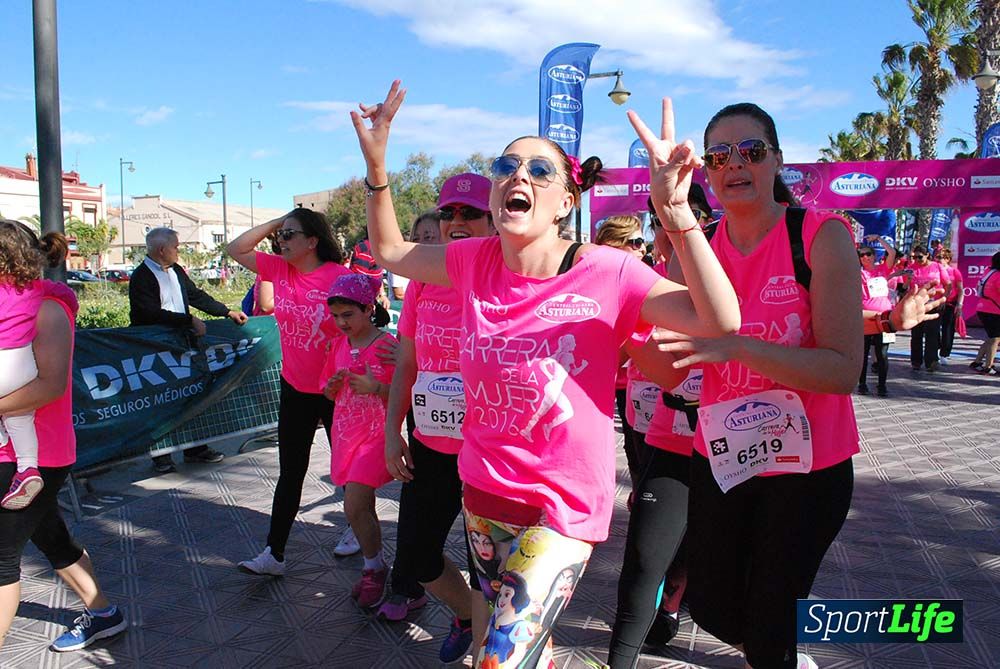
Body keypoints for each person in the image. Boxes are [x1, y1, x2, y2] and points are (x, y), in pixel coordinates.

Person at [352, 81, 739, 668]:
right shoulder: (472, 262)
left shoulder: (608, 271)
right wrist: (378, 165)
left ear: (564, 202)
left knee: (498, 658)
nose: (519, 176)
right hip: (483, 493)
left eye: (539, 169)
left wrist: (678, 212)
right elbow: (390, 249)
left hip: (560, 508)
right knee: (526, 643)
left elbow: (720, 319)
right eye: (507, 165)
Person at [652, 102, 864, 669]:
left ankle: (777, 645)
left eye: (750, 151)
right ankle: (776, 643)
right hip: (724, 460)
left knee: (770, 620)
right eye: (718, 156)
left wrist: (739, 346)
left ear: (776, 160)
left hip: (809, 469)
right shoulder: (701, 249)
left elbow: (844, 369)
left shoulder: (820, 237)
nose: (734, 165)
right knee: (712, 607)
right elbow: (668, 369)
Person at [379, 174, 493, 663]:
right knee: (415, 557)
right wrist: (392, 434)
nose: (457, 222)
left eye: (470, 213)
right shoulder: (425, 285)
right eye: (448, 214)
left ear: (495, 219)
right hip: (430, 443)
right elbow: (407, 364)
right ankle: (468, 614)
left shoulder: (509, 280)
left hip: (488, 451)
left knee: (487, 567)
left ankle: (489, 648)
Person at [0, 222, 126, 652]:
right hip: (12, 454)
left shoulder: (47, 309)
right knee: (50, 537)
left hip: (36, 453)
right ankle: (105, 615)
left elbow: (51, 385)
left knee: (1, 558)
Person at [607, 187, 714, 667]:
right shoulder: (645, 275)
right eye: (660, 220)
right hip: (664, 436)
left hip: (744, 445)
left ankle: (676, 600)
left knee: (723, 558)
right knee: (644, 558)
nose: (667, 230)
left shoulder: (734, 268)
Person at [227, 208, 352, 575]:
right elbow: (236, 248)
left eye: (289, 235)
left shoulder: (339, 277)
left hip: (336, 386)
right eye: (280, 235)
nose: (280, 241)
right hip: (296, 386)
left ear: (312, 241)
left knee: (346, 467)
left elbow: (362, 324)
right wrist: (278, 221)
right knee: (290, 471)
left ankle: (356, 529)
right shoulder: (278, 269)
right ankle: (274, 553)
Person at [129, 227, 247, 474]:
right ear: (162, 250)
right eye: (176, 246)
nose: (179, 250)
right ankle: (161, 454)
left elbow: (196, 296)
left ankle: (196, 448)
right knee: (161, 399)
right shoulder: (141, 276)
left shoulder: (177, 271)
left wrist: (226, 311)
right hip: (155, 347)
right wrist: (187, 320)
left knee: (192, 394)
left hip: (183, 343)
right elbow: (146, 313)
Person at [320, 273, 396, 606]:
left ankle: (373, 570)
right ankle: (377, 565)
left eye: (348, 315)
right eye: (336, 316)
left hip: (377, 437)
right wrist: (332, 387)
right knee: (361, 509)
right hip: (346, 437)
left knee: (353, 505)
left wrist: (377, 387)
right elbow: (326, 389)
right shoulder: (337, 345)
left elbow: (408, 394)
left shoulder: (388, 347)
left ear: (368, 309)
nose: (341, 323)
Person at [0, 221, 59, 510]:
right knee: (19, 416)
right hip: (23, 367)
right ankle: (28, 468)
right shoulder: (36, 287)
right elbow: (64, 294)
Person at [595, 214, 650, 487]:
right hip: (603, 382)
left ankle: (641, 494)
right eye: (637, 242)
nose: (643, 248)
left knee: (642, 450)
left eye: (644, 242)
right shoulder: (590, 284)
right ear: (614, 244)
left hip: (640, 384)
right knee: (624, 448)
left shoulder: (650, 280)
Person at [857, 235, 896, 396]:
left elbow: (892, 253)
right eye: (862, 255)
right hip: (866, 318)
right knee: (863, 354)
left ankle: (882, 385)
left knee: (883, 354)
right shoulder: (858, 273)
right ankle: (862, 384)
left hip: (885, 317)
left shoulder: (882, 269)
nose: (865, 257)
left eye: (868, 254)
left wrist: (879, 239)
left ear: (874, 256)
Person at [904, 244, 949, 372]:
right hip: (916, 304)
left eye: (920, 257)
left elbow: (948, 284)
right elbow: (904, 286)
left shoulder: (937, 266)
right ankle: (916, 361)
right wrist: (908, 280)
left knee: (932, 333)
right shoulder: (911, 268)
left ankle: (931, 361)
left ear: (927, 255)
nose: (917, 260)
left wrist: (943, 299)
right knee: (916, 333)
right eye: (915, 257)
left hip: (933, 303)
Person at [388, 211, 441, 300]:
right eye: (416, 238)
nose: (420, 243)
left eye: (428, 237)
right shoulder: (416, 283)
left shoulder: (461, 281)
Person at [971, 251, 1000, 375]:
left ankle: (977, 362)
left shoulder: (988, 272)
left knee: (991, 337)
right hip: (994, 310)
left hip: (983, 308)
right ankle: (988, 366)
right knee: (995, 338)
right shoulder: (998, 276)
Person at [936, 248, 963, 363]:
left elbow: (961, 290)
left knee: (948, 329)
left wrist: (959, 304)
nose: (938, 260)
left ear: (947, 259)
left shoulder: (954, 272)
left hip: (950, 304)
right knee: (933, 329)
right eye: (937, 257)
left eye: (940, 258)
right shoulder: (934, 271)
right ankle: (935, 349)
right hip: (936, 303)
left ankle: (944, 354)